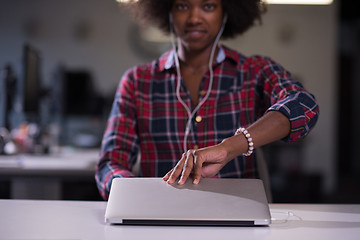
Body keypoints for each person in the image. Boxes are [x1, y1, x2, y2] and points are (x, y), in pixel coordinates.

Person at [95, 0, 319, 200]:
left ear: (225, 12)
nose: (194, 18)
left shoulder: (253, 71)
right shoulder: (137, 81)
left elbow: (303, 106)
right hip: (158, 217)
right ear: (168, 12)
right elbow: (110, 164)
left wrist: (230, 147)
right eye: (183, 6)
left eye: (208, 6)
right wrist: (136, 195)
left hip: (237, 217)